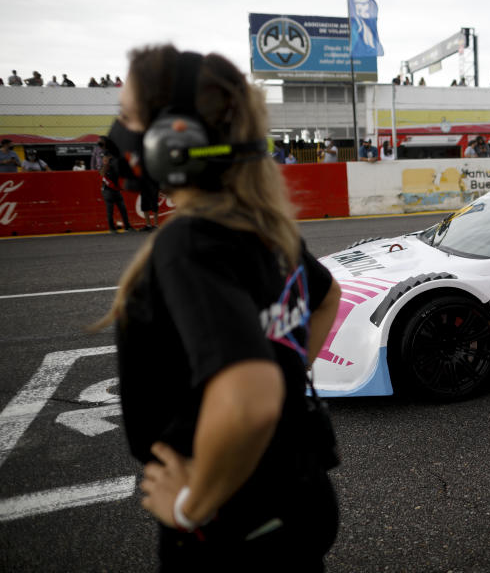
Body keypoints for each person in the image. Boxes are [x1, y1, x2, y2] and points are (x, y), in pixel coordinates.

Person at [93, 45, 341, 568]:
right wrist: (287, 373)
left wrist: (190, 505)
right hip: (297, 497)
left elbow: (250, 400)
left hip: (230, 528)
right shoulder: (262, 225)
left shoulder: (189, 242)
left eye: (127, 117)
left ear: (173, 140)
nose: (116, 133)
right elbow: (326, 297)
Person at [100, 140, 133, 233]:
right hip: (109, 190)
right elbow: (102, 172)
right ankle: (114, 228)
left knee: (122, 209)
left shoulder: (114, 162)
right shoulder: (108, 163)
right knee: (112, 210)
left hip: (114, 189)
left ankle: (125, 227)